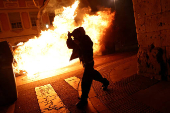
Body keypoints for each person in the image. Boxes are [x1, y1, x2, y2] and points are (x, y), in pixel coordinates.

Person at [66, 27, 109, 109]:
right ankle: (105, 82)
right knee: (94, 75)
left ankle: (84, 99)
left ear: (80, 34)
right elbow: (70, 46)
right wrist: (69, 38)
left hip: (89, 63)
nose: (75, 37)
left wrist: (79, 43)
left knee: (85, 82)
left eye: (76, 35)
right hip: (85, 64)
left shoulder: (86, 39)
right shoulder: (78, 40)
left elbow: (87, 47)